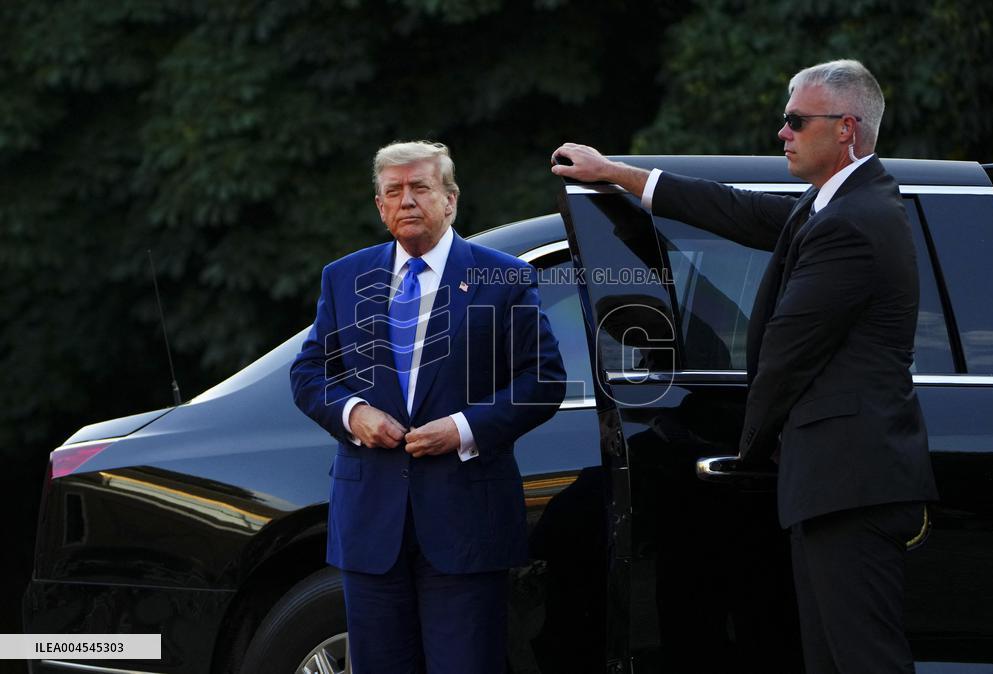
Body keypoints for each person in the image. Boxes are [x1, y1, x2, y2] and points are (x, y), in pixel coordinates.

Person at [552, 59, 937, 673]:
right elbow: (737, 211)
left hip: (849, 486)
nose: (781, 132)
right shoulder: (835, 207)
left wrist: (745, 455)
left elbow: (786, 352)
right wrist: (617, 175)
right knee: (831, 659)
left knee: (861, 660)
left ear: (845, 129)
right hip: (836, 483)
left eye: (794, 120)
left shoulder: (854, 223)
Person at [290, 140, 566, 673]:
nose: (407, 201)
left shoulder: (502, 276)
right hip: (371, 524)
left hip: (466, 523)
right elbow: (309, 374)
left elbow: (543, 380)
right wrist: (354, 415)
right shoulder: (344, 276)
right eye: (393, 191)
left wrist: (463, 429)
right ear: (379, 206)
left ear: (450, 200)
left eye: (420, 187)